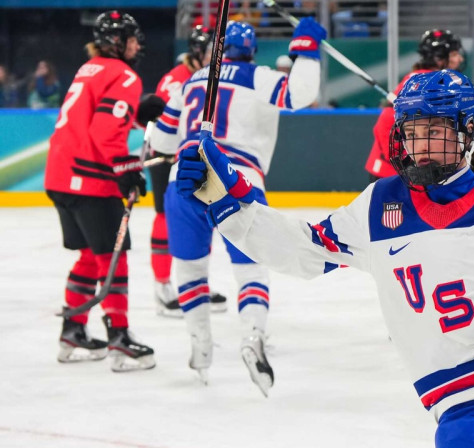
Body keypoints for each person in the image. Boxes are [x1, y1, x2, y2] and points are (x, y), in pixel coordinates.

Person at [175, 68, 474, 447]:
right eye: (412, 132)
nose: (419, 145)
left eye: (435, 131)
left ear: (467, 132)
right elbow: (301, 249)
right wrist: (228, 199)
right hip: (468, 404)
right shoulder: (380, 206)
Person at [149, 19, 324, 394]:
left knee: (191, 268)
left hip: (184, 175)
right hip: (235, 178)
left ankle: (200, 346)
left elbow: (162, 142)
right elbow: (301, 93)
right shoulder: (258, 75)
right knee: (251, 268)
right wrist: (306, 49)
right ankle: (253, 337)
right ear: (251, 51)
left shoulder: (191, 80)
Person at [44, 11, 154, 372]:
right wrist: (127, 172)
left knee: (93, 255)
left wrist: (138, 114)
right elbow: (105, 132)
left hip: (60, 176)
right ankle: (119, 338)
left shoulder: (89, 68)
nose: (138, 45)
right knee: (113, 254)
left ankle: (72, 331)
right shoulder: (124, 74)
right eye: (132, 39)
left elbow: (94, 115)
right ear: (117, 42)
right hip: (89, 178)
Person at [134, 25, 227, 318]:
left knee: (203, 217)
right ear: (198, 53)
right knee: (164, 219)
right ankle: (162, 289)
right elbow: (159, 125)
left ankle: (197, 283)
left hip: (193, 159)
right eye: (211, 53)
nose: (216, 58)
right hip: (166, 157)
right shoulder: (176, 80)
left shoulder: (210, 77)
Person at [364, 28, 463, 180]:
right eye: (455, 54)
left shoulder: (431, 79)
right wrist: (406, 164)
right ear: (438, 59)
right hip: (390, 175)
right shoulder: (421, 82)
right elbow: (385, 123)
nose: (460, 59)